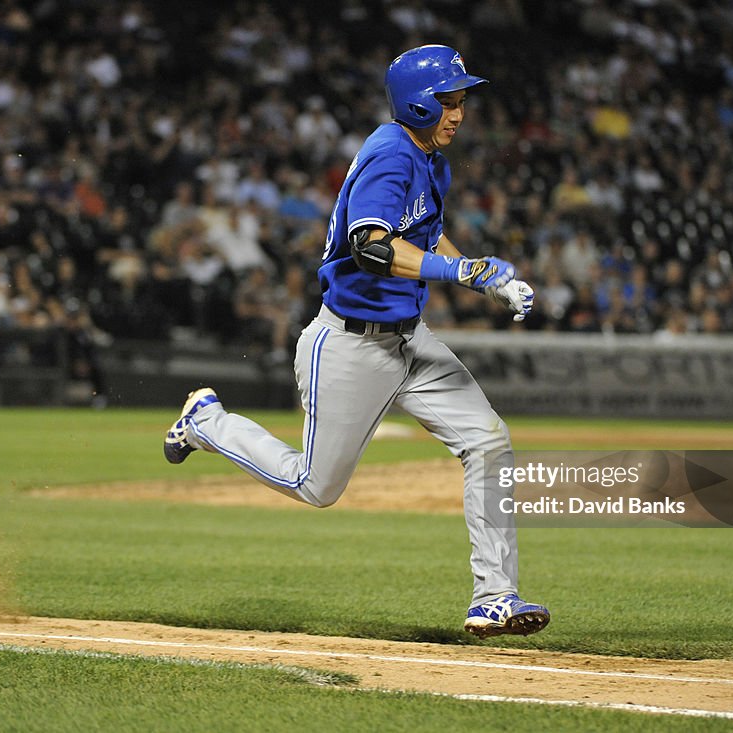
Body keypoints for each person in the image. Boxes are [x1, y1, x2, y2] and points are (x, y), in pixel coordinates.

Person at [163, 45, 548, 639]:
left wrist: (480, 275)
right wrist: (464, 273)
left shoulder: (431, 158)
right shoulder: (392, 156)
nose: (459, 111)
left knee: (489, 442)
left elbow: (426, 234)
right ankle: (207, 422)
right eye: (448, 99)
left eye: (462, 98)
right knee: (316, 486)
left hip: (408, 342)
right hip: (348, 345)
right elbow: (372, 248)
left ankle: (494, 598)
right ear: (417, 102)